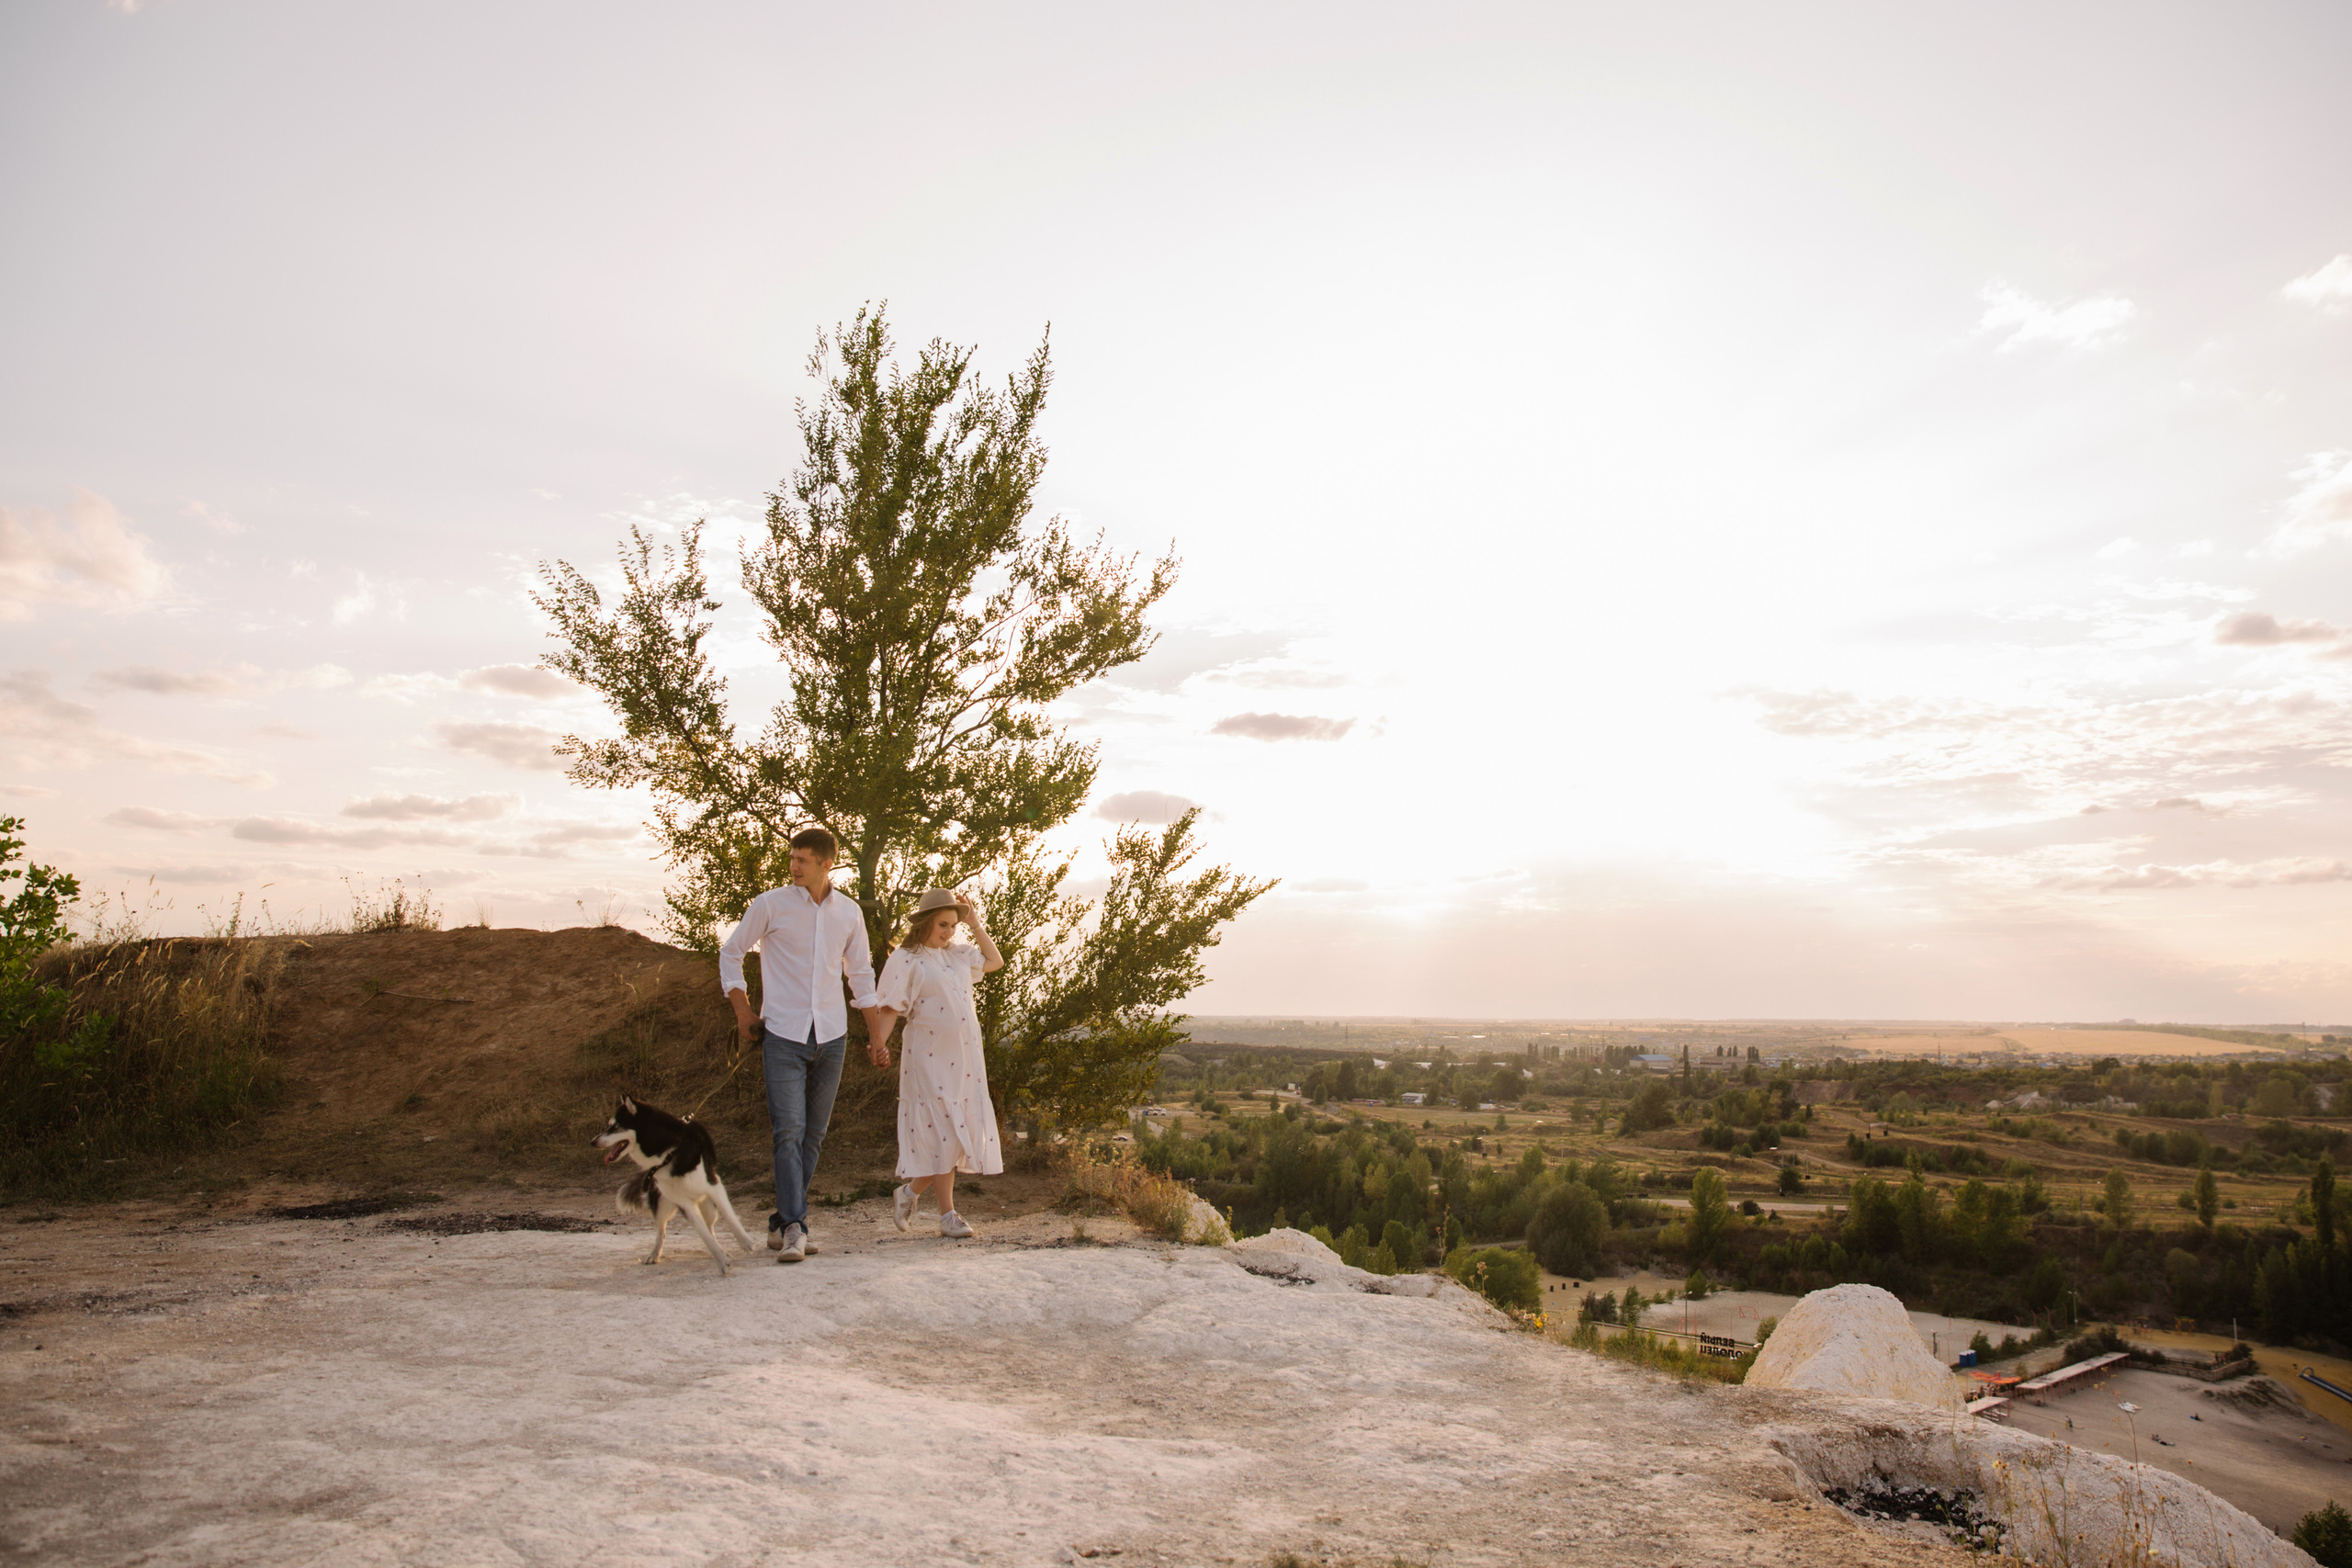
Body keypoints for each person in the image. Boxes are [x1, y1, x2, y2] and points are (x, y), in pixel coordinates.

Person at [718, 826, 891, 1264]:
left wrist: (874, 1038)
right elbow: (732, 952)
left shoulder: (849, 913)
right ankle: (797, 1226)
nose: (794, 866)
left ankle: (782, 1221)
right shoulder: (770, 905)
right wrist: (742, 1012)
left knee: (813, 1136)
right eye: (792, 858)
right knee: (788, 1132)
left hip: (831, 1036)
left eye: (803, 860)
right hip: (782, 1035)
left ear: (827, 863)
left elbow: (861, 977)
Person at [870, 887, 1003, 1238]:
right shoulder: (905, 959)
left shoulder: (957, 955)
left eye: (953, 926)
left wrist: (974, 922)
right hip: (927, 1059)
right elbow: (890, 1008)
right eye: (943, 924)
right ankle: (948, 1216)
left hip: (965, 1061)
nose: (948, 932)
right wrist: (878, 1045)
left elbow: (995, 961)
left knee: (955, 1137)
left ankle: (909, 1193)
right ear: (926, 922)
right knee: (945, 1133)